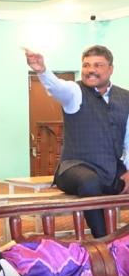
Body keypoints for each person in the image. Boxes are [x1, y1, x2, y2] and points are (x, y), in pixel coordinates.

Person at [25, 45, 129, 237]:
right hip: (73, 168)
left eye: (98, 65)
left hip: (111, 169)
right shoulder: (75, 91)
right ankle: (104, 240)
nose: (91, 70)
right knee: (90, 182)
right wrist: (42, 71)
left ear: (111, 69)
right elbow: (57, 88)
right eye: (86, 65)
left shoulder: (125, 97)